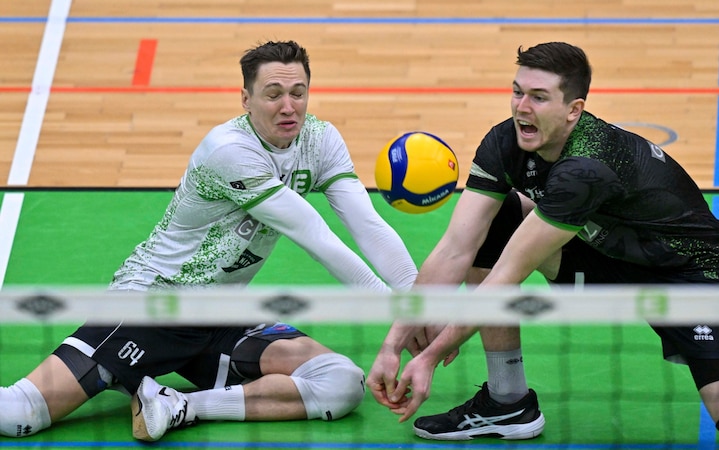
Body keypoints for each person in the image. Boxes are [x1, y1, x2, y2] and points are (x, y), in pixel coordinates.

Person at [366, 41, 719, 450]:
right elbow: (455, 249)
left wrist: (428, 358)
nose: (521, 107)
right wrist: (393, 342)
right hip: (603, 257)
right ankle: (507, 401)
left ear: (574, 110)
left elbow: (504, 278)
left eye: (538, 97)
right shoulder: (504, 143)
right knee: (494, 222)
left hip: (687, 276)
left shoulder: (587, 167)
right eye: (517, 92)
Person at [0, 40, 418, 442]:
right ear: (246, 98)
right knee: (20, 414)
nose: (288, 107)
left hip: (221, 314)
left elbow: (369, 225)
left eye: (298, 92)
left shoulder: (320, 140)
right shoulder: (229, 151)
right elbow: (316, 236)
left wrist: (422, 304)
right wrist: (401, 321)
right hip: (153, 306)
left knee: (340, 382)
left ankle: (179, 405)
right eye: (273, 94)